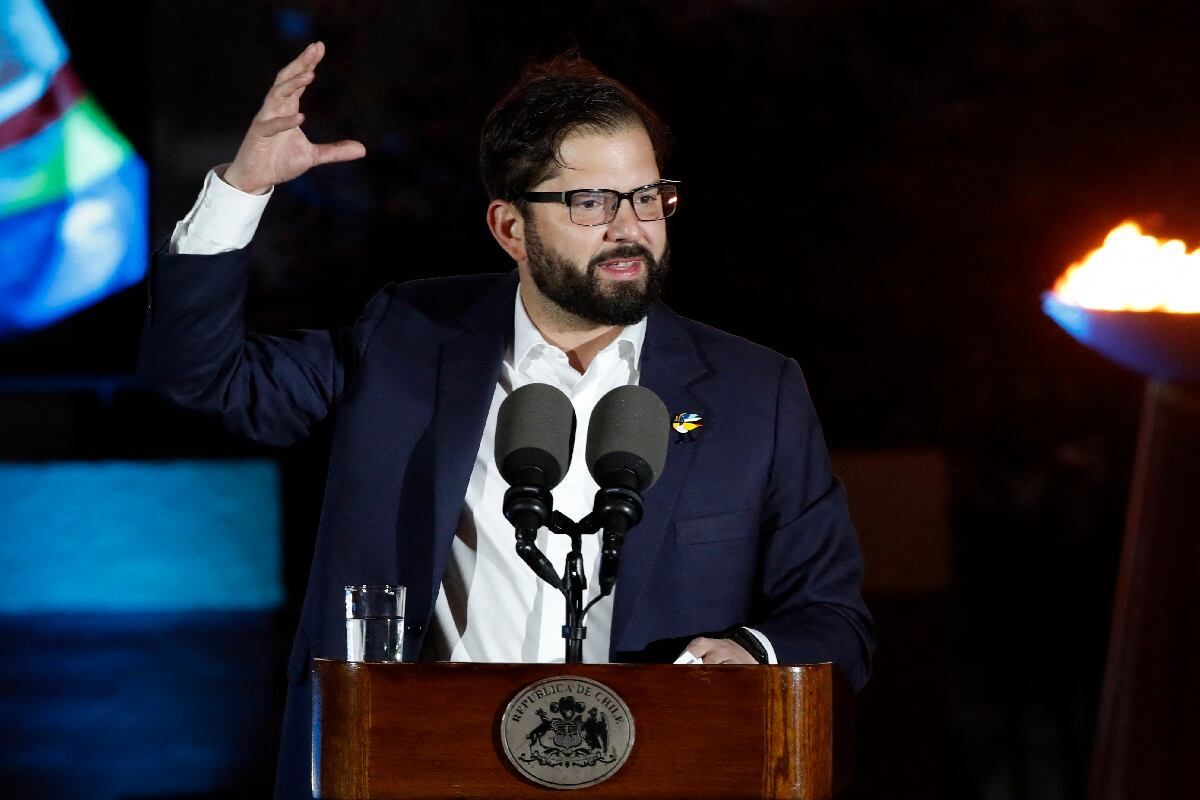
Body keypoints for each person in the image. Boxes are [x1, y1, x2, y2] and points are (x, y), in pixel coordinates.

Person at [140, 42, 874, 798]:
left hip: (658, 772)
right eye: (591, 202)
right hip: (412, 768)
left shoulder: (756, 393)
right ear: (510, 228)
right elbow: (200, 378)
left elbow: (832, 617)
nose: (630, 227)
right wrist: (242, 189)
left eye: (648, 196)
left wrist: (750, 652)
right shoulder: (405, 339)